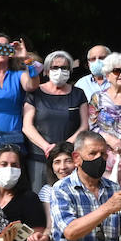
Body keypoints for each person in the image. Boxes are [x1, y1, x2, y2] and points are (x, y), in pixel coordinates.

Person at [22, 50, 88, 186]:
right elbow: (27, 126)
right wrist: (47, 148)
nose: (59, 71)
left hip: (69, 159)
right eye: (55, 67)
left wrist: (63, 148)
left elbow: (84, 126)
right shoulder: (34, 93)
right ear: (46, 71)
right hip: (39, 157)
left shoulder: (78, 94)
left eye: (64, 68)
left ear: (70, 70)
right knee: (40, 200)